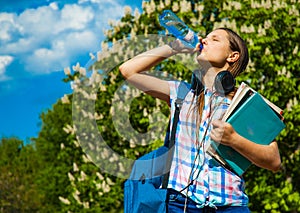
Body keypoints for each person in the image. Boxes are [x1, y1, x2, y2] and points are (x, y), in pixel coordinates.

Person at [119, 28, 281, 212]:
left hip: (230, 205)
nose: (205, 40)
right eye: (206, 37)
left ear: (232, 56)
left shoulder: (244, 104)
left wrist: (234, 139)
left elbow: (274, 160)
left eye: (215, 39)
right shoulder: (182, 93)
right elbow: (128, 70)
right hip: (180, 203)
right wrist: (175, 47)